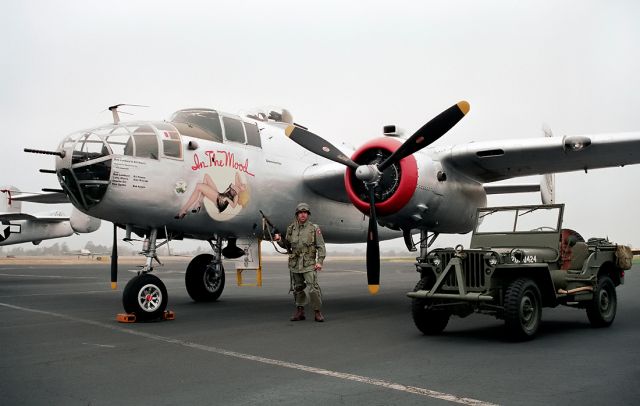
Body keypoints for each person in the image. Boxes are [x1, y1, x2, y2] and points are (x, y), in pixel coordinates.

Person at [273, 202, 326, 322]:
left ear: (308, 215)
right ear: (297, 215)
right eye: (300, 213)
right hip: (295, 263)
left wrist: (320, 261)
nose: (303, 215)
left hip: (308, 262)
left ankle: (317, 312)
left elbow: (321, 246)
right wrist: (279, 240)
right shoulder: (291, 228)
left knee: (313, 288)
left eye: (305, 213)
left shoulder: (314, 228)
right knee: (297, 288)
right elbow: (287, 245)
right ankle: (300, 311)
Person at [176, 171, 248, 219]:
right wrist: (240, 183)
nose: (244, 184)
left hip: (220, 202)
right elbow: (237, 174)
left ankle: (183, 210)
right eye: (244, 184)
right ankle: (198, 203)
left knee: (199, 186)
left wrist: (227, 199)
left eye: (244, 186)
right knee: (206, 176)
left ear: (243, 190)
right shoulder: (236, 185)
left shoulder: (236, 195)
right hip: (220, 195)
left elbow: (233, 206)